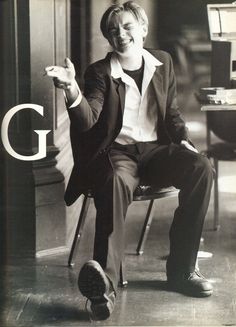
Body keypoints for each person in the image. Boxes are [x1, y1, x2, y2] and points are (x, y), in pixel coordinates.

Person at [45, 1, 214, 321]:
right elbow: (88, 119)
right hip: (118, 153)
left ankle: (183, 271)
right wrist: (71, 89)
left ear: (143, 29)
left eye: (126, 27)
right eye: (112, 30)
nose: (119, 35)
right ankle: (103, 288)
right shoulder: (99, 72)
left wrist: (184, 141)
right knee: (114, 181)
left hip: (156, 150)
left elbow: (172, 114)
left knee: (201, 168)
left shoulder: (163, 62)